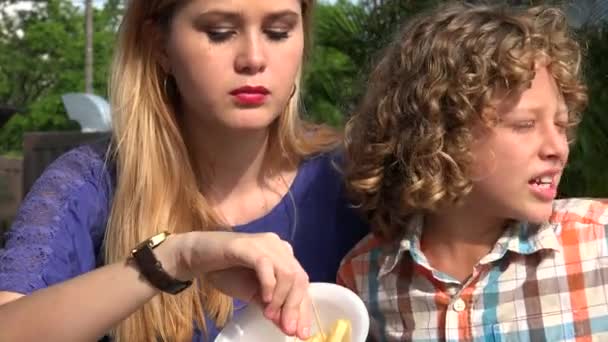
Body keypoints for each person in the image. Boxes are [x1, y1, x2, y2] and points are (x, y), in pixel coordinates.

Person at [0, 0, 368, 341]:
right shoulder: (89, 183)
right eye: (220, 32)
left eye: (278, 32)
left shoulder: (359, 177)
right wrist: (174, 259)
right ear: (160, 45)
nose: (254, 58)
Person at [338, 2, 608, 341]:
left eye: (561, 125)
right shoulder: (365, 277)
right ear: (441, 134)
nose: (558, 148)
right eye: (525, 124)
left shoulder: (598, 242)